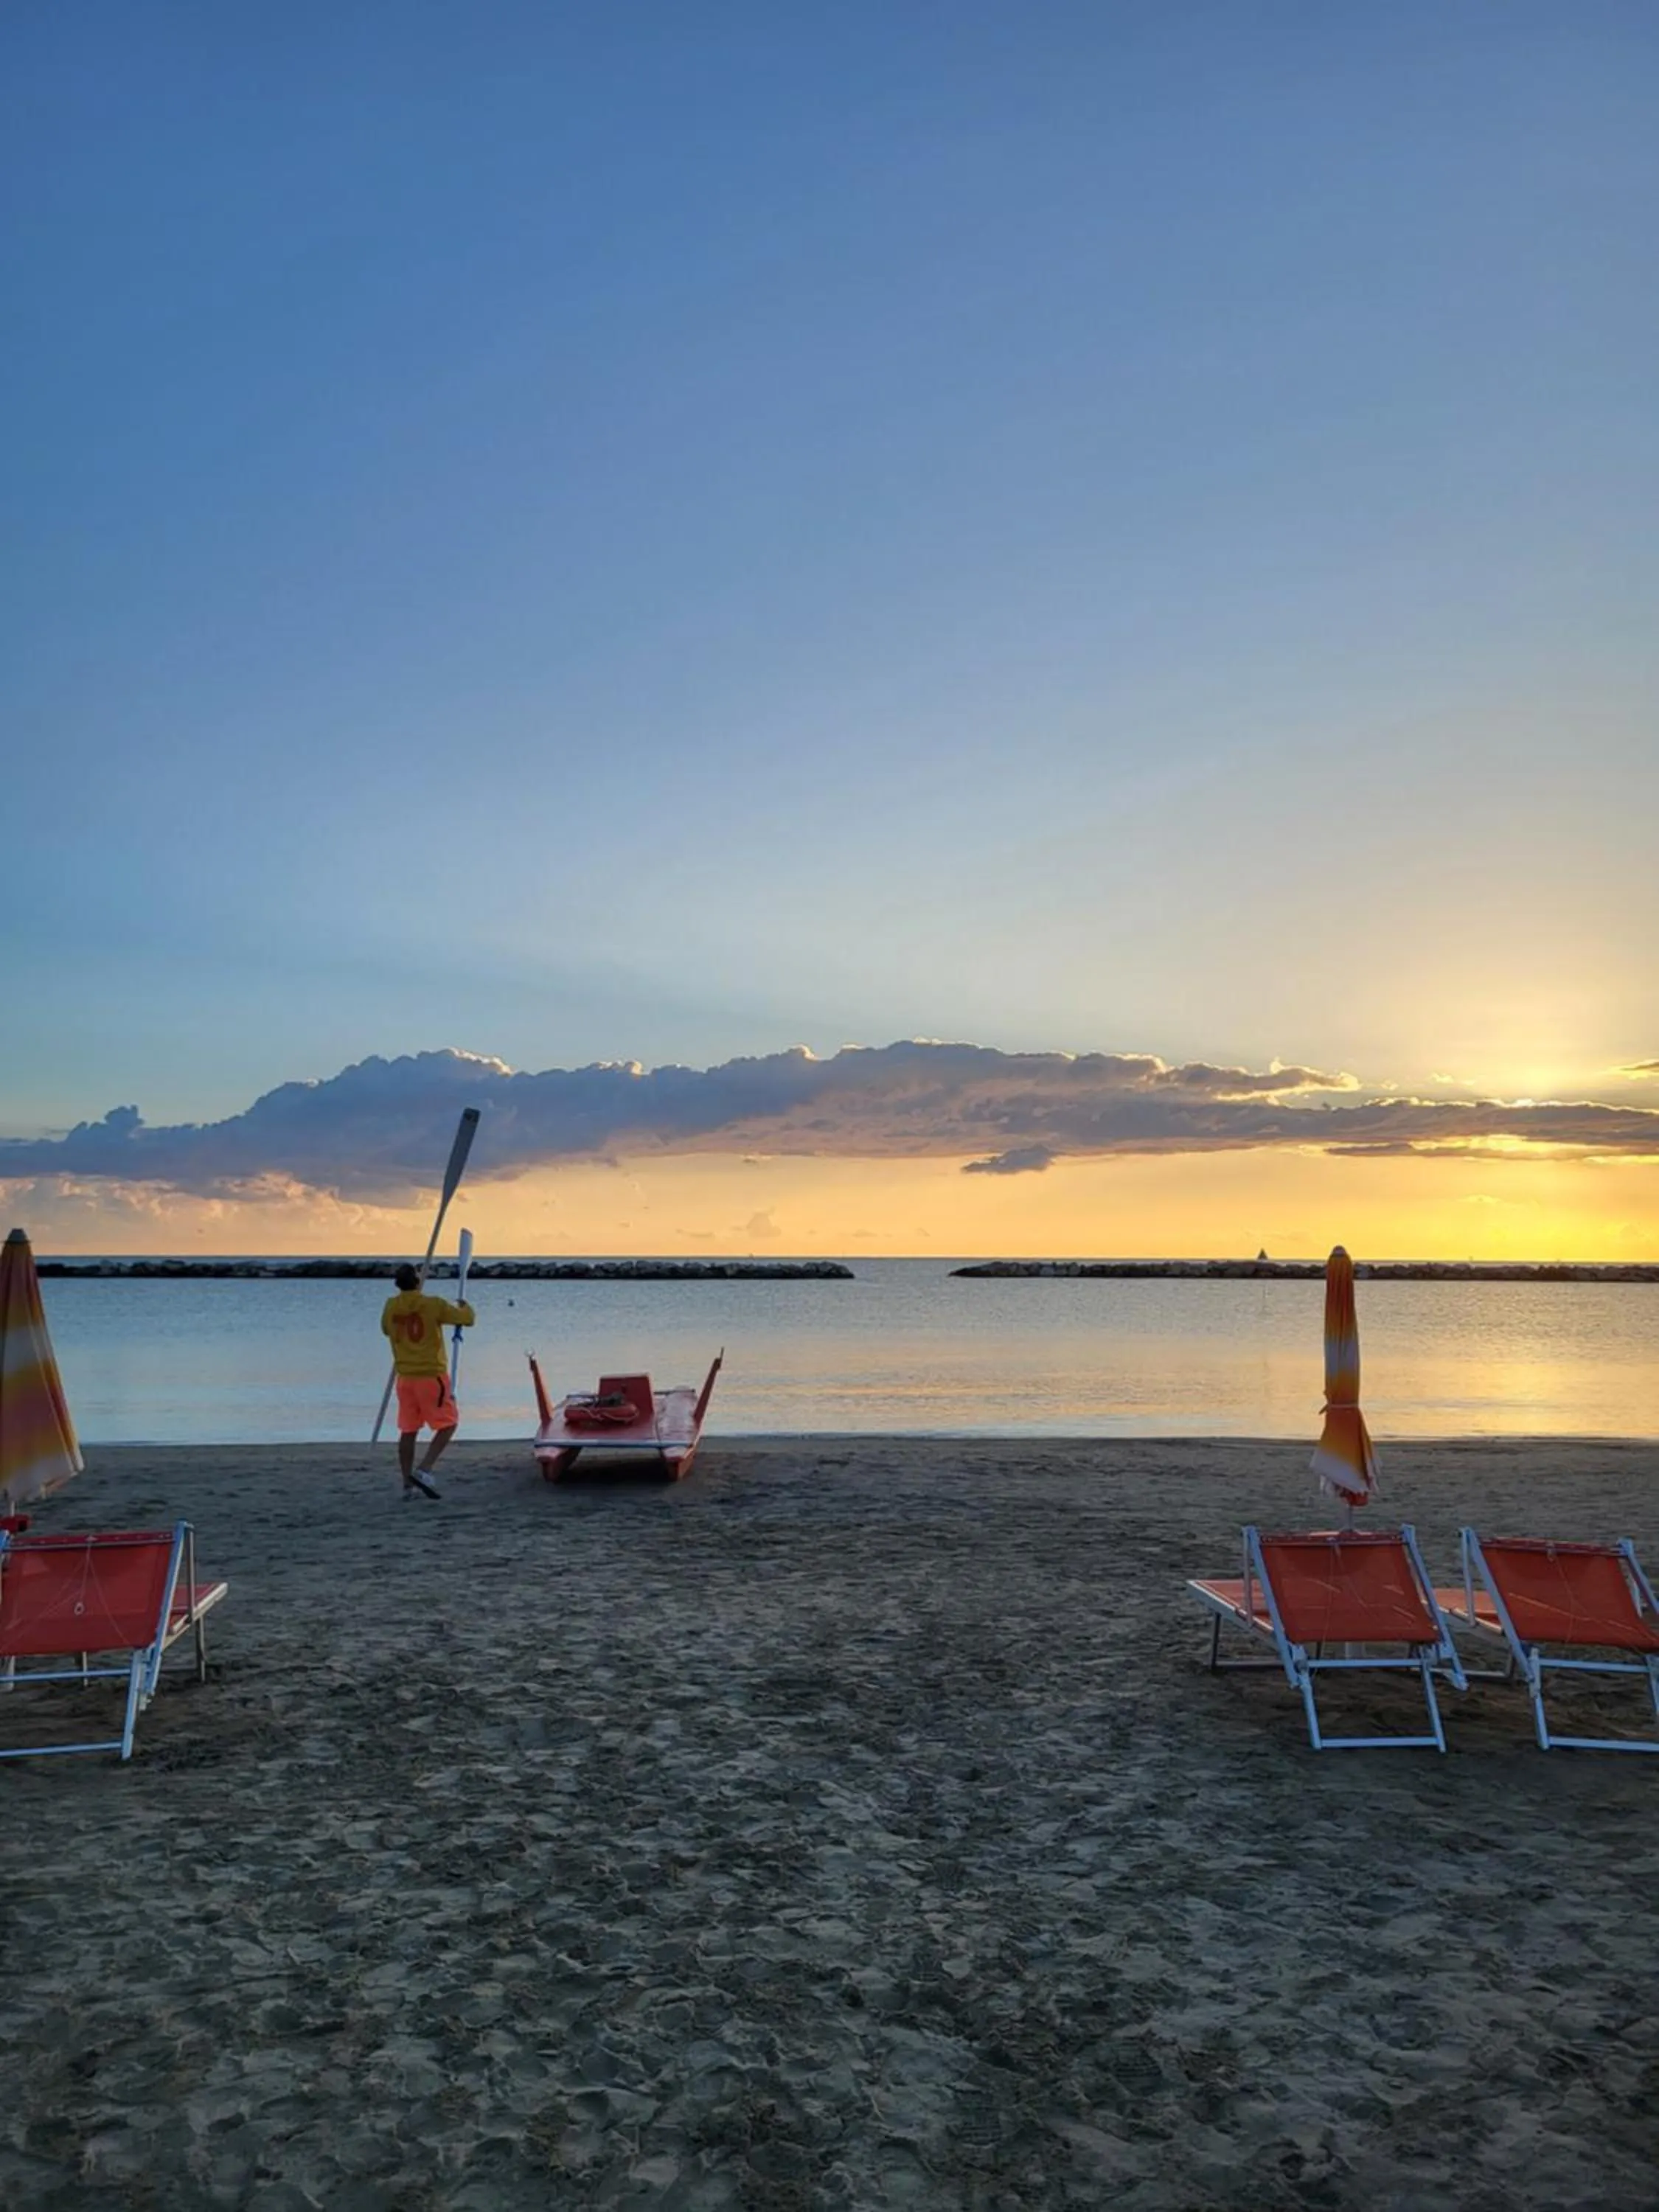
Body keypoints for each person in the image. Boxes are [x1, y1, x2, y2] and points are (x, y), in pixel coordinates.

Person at [380, 1262, 475, 1499]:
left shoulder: (391, 1306)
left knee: (408, 1430)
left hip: (405, 1379)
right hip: (431, 1376)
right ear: (417, 1281)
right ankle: (424, 1469)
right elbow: (467, 1318)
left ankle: (407, 1484)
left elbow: (386, 1329)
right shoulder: (433, 1305)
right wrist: (465, 1306)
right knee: (449, 1424)